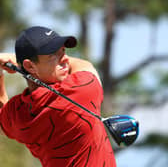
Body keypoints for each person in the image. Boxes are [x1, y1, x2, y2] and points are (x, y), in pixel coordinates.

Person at [0, 26, 116, 167]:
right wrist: (13, 58)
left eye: (63, 51)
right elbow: (85, 65)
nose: (65, 58)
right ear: (30, 66)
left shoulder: (19, 113)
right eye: (53, 55)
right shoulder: (81, 90)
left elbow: (2, 117)